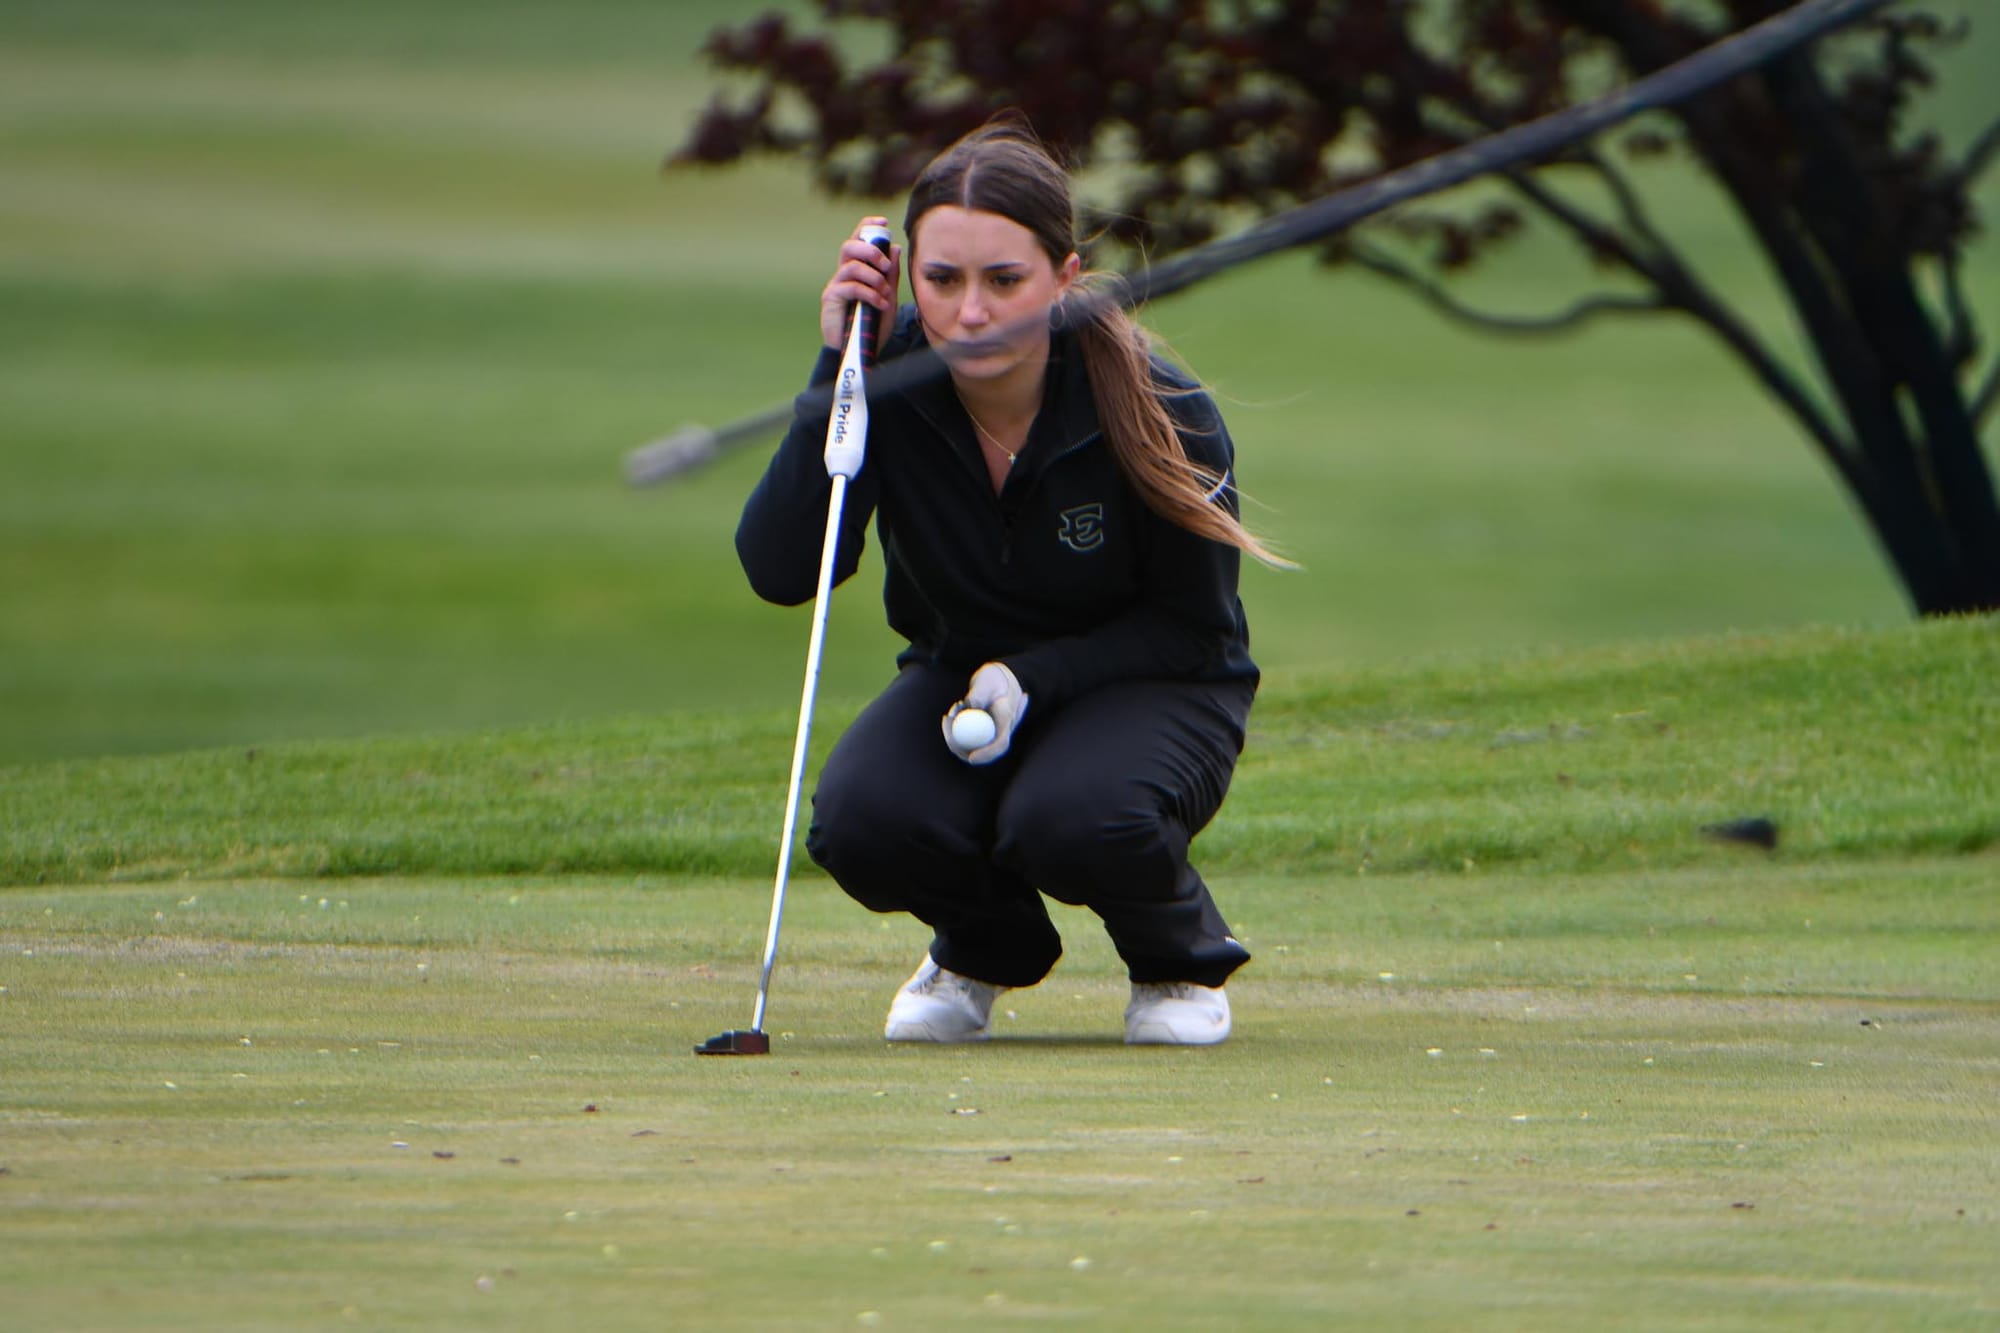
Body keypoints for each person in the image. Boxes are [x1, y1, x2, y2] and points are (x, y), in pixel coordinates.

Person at [735, 117, 1283, 1046]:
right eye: (942, 280)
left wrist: (1039, 680)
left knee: (1072, 816)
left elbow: (1194, 630)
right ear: (907, 274)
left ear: (1064, 279)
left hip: (1152, 682)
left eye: (1005, 280)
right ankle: (983, 948)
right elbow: (786, 570)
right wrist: (842, 367)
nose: (972, 314)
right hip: (961, 676)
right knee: (862, 822)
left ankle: (1175, 961)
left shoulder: (1161, 407)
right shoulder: (888, 383)